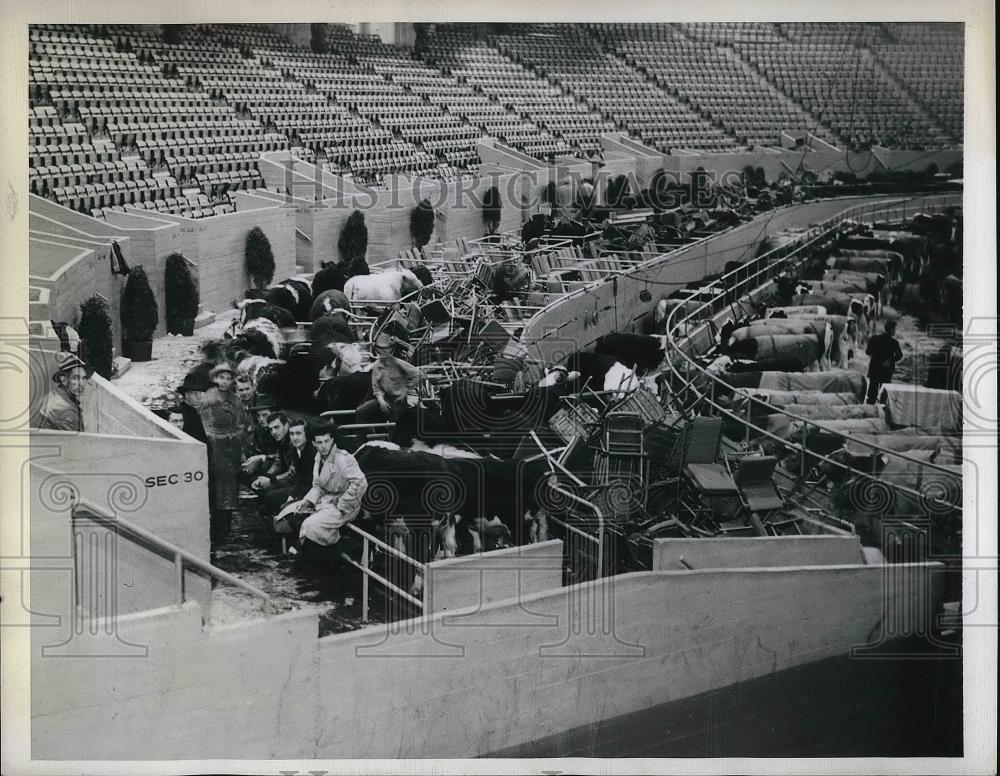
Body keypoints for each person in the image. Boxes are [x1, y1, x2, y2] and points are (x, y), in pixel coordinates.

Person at [274, 420, 367, 569]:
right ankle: (314, 556)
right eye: (319, 442)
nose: (323, 446)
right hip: (325, 501)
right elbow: (317, 485)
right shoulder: (318, 458)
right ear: (314, 443)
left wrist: (343, 504)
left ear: (332, 440)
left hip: (345, 505)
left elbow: (361, 483)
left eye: (326, 441)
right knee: (286, 515)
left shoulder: (343, 458)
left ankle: (333, 550)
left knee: (310, 525)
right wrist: (307, 501)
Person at [183, 362, 246, 540]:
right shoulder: (208, 399)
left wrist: (239, 445)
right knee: (214, 486)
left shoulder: (237, 400)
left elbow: (241, 423)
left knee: (229, 488)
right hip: (213, 446)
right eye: (221, 378)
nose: (224, 382)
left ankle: (226, 526)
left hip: (231, 447)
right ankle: (214, 527)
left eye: (228, 378)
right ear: (215, 379)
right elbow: (201, 424)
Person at [354, 332, 424, 424]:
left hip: (399, 401)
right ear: (378, 349)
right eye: (381, 348)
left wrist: (405, 391)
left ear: (391, 349)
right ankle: (362, 437)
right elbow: (376, 387)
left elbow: (418, 374)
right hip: (386, 399)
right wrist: (381, 400)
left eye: (387, 348)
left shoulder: (398, 363)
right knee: (361, 411)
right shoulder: (377, 366)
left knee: (395, 426)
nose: (384, 351)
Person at [256, 417, 316, 515]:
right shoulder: (297, 449)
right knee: (265, 499)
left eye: (298, 433)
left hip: (309, 491)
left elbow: (306, 483)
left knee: (269, 498)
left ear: (306, 434)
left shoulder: (311, 453)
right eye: (292, 434)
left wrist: (290, 499)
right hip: (298, 484)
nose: (295, 438)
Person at [37, 352, 92, 431]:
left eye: (83, 378)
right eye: (75, 378)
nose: (81, 383)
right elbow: (76, 442)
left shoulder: (52, 395)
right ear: (64, 380)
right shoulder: (67, 411)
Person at [865, 320, 904, 404]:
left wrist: (876, 358)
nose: (895, 331)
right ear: (891, 330)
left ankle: (870, 410)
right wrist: (890, 361)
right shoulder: (894, 342)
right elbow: (900, 355)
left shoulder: (874, 338)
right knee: (884, 394)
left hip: (874, 368)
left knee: (872, 394)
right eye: (895, 329)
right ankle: (882, 411)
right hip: (886, 370)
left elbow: (867, 352)